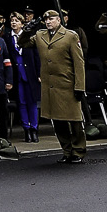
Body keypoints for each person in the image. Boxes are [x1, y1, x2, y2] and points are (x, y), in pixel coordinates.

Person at [31, 9, 86, 163]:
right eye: (46, 20)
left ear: (59, 20)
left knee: (74, 120)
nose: (48, 22)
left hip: (67, 84)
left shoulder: (70, 36)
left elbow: (79, 63)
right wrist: (28, 28)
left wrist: (80, 87)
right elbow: (23, 43)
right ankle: (67, 150)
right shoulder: (40, 35)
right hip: (50, 86)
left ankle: (78, 151)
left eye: (52, 19)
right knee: (57, 120)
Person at [4, 11, 41, 141]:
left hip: (30, 74)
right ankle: (26, 129)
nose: (14, 23)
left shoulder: (30, 36)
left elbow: (37, 56)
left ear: (22, 23)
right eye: (12, 21)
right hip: (17, 76)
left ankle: (34, 129)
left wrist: (39, 73)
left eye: (16, 21)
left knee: (32, 102)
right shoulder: (7, 38)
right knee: (22, 103)